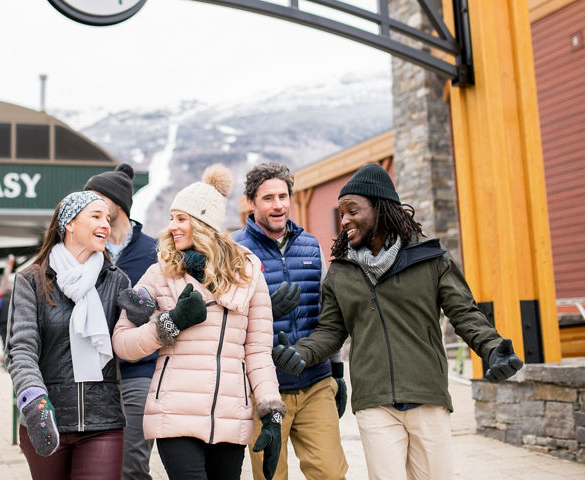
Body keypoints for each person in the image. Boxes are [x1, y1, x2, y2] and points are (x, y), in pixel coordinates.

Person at [275, 163, 524, 479]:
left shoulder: (431, 259)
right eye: (341, 213)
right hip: (374, 401)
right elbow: (330, 331)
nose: (345, 220)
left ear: (379, 208)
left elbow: (464, 312)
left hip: (427, 395)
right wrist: (301, 353)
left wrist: (491, 347)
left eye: (353, 210)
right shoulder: (341, 272)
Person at [113, 164, 286, 480]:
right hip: (174, 413)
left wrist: (272, 413)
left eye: (181, 219)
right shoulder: (159, 275)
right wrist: (171, 323)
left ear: (204, 223)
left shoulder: (249, 276)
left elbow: (259, 354)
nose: (172, 227)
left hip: (230, 417)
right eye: (171, 219)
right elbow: (123, 343)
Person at [231, 162, 348, 480]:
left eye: (283, 196)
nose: (278, 205)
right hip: (264, 391)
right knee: (270, 476)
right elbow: (226, 319)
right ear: (251, 203)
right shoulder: (234, 250)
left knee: (331, 474)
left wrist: (337, 373)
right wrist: (270, 314)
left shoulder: (310, 245)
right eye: (268, 198)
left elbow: (328, 314)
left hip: (315, 383)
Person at [4, 190, 130, 479]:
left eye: (107, 219)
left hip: (102, 421)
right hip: (46, 418)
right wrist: (34, 399)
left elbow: (128, 342)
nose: (105, 225)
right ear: (69, 223)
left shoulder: (117, 280)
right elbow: (21, 348)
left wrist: (150, 317)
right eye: (95, 216)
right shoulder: (31, 280)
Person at [85, 163, 158, 480]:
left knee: (131, 465)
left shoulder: (155, 251)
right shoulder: (86, 250)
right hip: (94, 373)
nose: (90, 205)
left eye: (97, 197)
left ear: (117, 204)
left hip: (140, 371)